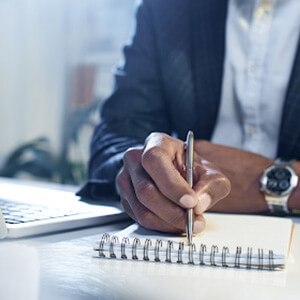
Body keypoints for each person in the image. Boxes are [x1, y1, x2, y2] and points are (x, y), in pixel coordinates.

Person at [78, 0, 300, 233]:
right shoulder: (165, 8)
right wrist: (148, 169)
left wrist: (266, 182)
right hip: (185, 238)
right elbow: (116, 135)